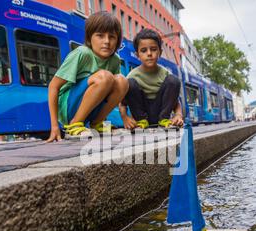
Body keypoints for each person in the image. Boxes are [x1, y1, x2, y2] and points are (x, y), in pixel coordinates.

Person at [46, 12, 128, 141]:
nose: (106, 41)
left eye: (112, 37)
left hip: (92, 110)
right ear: (90, 38)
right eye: (100, 36)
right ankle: (74, 125)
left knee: (122, 81)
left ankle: (97, 123)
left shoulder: (115, 60)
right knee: (104, 77)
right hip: (69, 107)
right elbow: (53, 86)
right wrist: (55, 126)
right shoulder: (81, 53)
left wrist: (125, 117)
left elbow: (111, 92)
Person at [119, 28, 184, 130]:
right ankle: (142, 121)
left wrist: (178, 115)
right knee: (129, 83)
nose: (149, 53)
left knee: (174, 81)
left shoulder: (166, 75)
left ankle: (163, 120)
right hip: (141, 116)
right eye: (144, 50)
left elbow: (176, 102)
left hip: (161, 114)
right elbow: (122, 104)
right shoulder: (132, 76)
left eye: (153, 49)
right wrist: (125, 118)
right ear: (137, 55)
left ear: (160, 52)